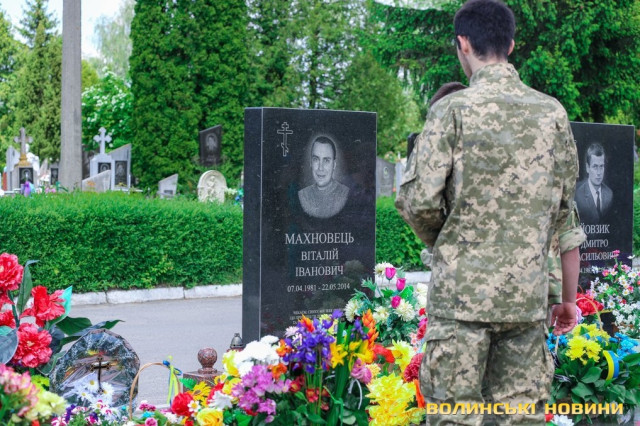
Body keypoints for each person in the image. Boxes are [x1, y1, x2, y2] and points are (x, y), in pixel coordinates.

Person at [395, 0, 580, 424]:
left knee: (455, 416)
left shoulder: (451, 110)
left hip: (460, 302)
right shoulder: (552, 113)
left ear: (463, 43)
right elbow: (563, 205)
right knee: (520, 416)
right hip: (525, 301)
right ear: (510, 45)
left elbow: (418, 201)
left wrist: (453, 244)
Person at [298, 135, 349, 219]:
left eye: (326, 160)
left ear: (334, 165)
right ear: (311, 163)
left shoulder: (346, 194)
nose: (320, 168)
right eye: (316, 159)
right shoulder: (302, 195)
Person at [574, 143, 613, 223]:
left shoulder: (609, 194)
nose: (599, 172)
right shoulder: (578, 194)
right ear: (587, 168)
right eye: (595, 167)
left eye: (601, 166)